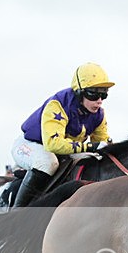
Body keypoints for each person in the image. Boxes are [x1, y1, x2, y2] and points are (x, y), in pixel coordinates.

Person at [11, 63, 115, 208]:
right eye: (94, 94)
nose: (99, 100)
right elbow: (53, 144)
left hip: (62, 151)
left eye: (103, 94)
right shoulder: (58, 105)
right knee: (47, 163)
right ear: (79, 92)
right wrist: (90, 146)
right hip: (31, 145)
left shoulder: (98, 114)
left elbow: (102, 144)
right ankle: (17, 213)